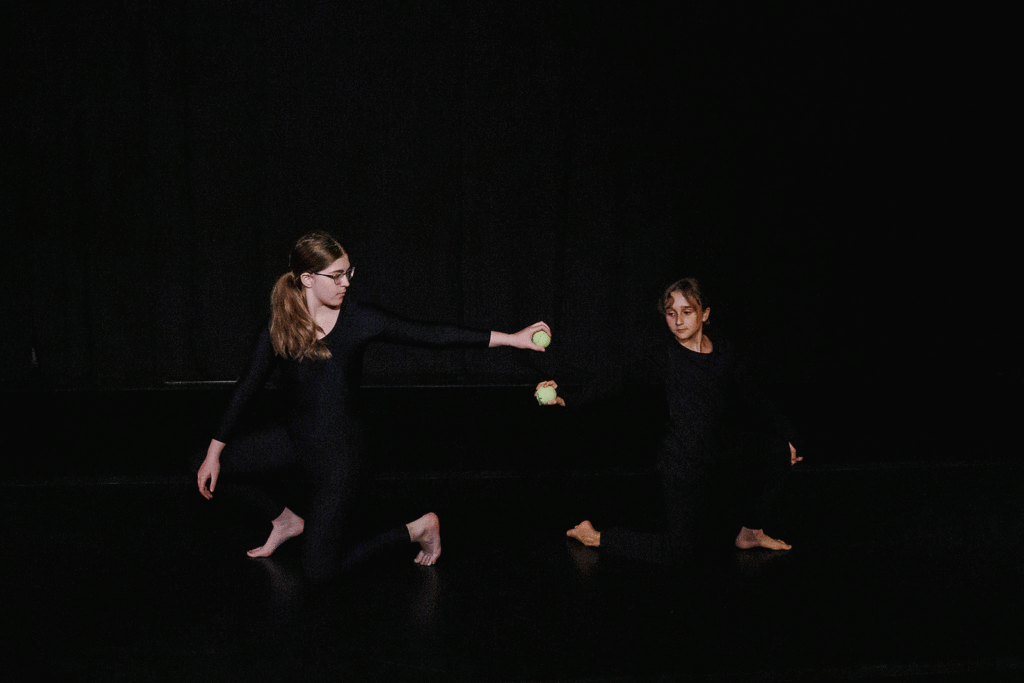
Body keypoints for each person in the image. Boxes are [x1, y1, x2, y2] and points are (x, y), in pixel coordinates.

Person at [194, 232, 551, 583]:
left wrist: (512, 339)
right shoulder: (279, 326)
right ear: (306, 278)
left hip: (340, 456)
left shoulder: (359, 319)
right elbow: (246, 390)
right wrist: (214, 452)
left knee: (319, 572)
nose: (345, 283)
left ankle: (418, 528)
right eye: (336, 275)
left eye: (348, 272)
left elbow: (433, 335)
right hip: (295, 440)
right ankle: (286, 521)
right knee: (206, 467)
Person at [557, 277, 802, 565]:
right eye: (671, 313)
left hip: (721, 449)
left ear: (704, 314)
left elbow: (754, 396)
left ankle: (751, 532)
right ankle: (595, 536)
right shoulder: (666, 357)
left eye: (687, 312)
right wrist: (566, 396)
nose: (678, 321)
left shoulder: (724, 354)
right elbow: (617, 379)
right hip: (683, 463)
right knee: (681, 551)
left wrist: (789, 436)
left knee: (782, 452)